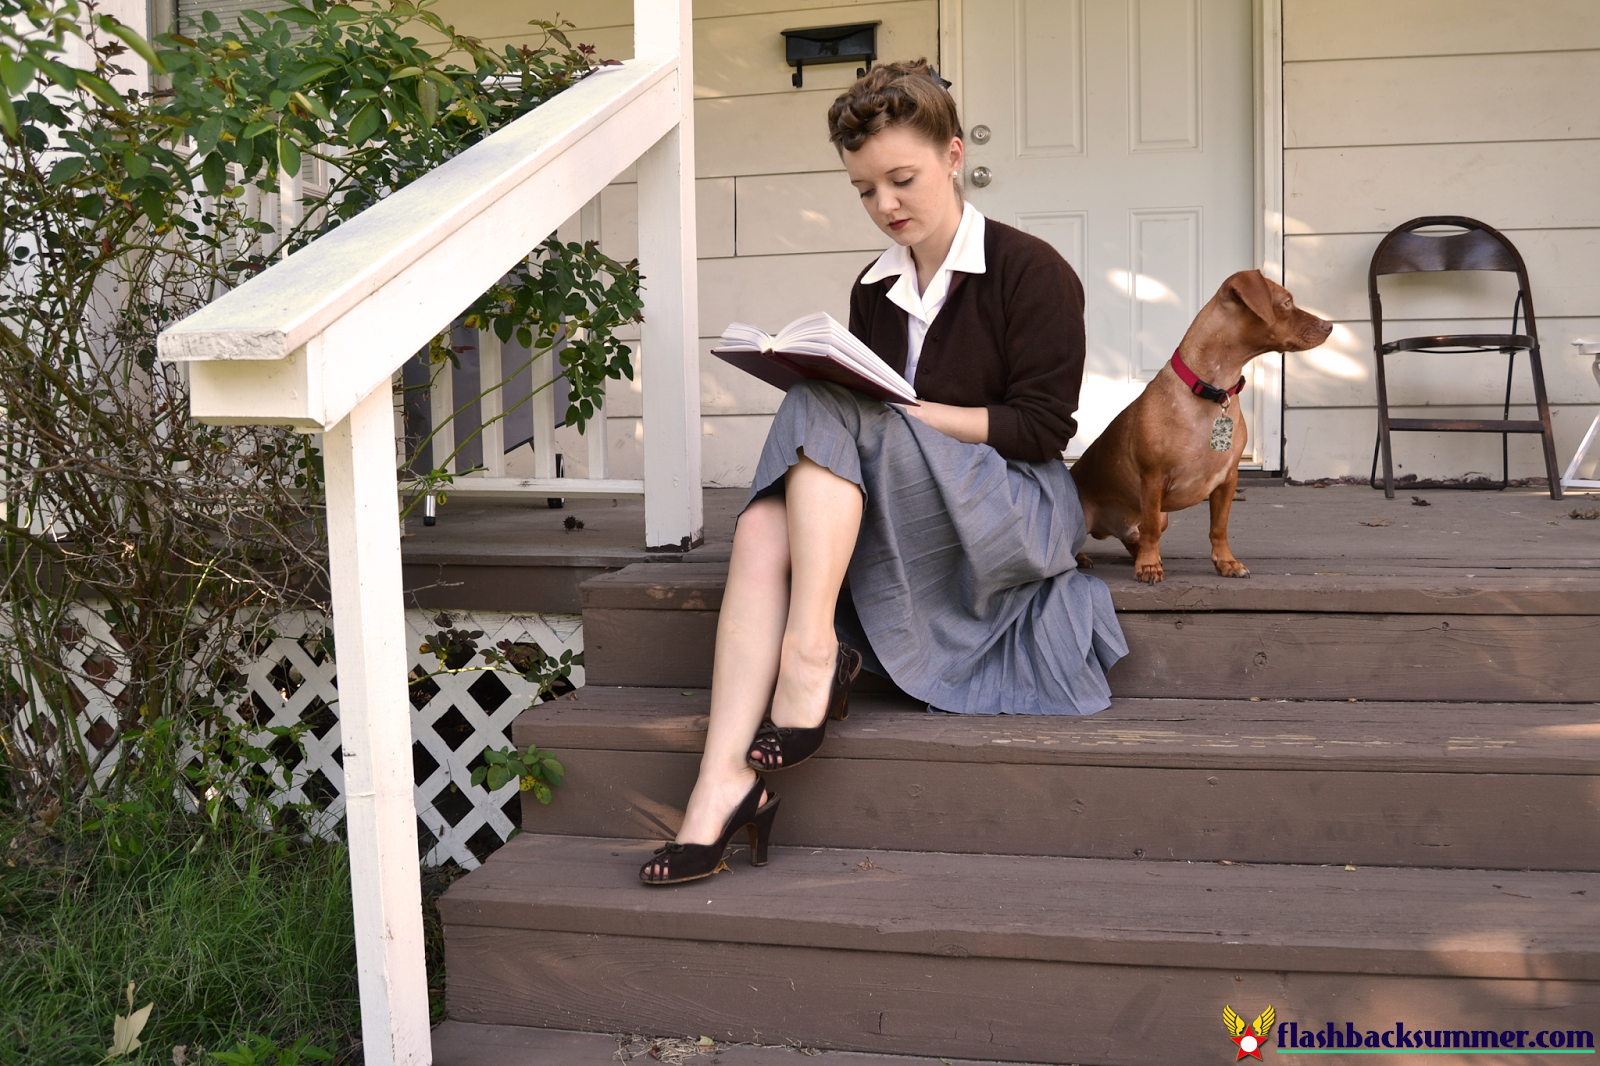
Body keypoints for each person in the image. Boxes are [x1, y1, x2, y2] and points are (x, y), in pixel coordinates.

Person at [640, 60, 1127, 886]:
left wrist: (908, 418)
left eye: (901, 179)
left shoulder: (1031, 271)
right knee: (767, 507)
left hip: (1014, 504)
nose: (886, 205)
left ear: (950, 154)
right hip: (913, 499)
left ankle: (809, 652)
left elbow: (1043, 431)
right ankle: (721, 785)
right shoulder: (874, 289)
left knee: (819, 419)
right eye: (865, 190)